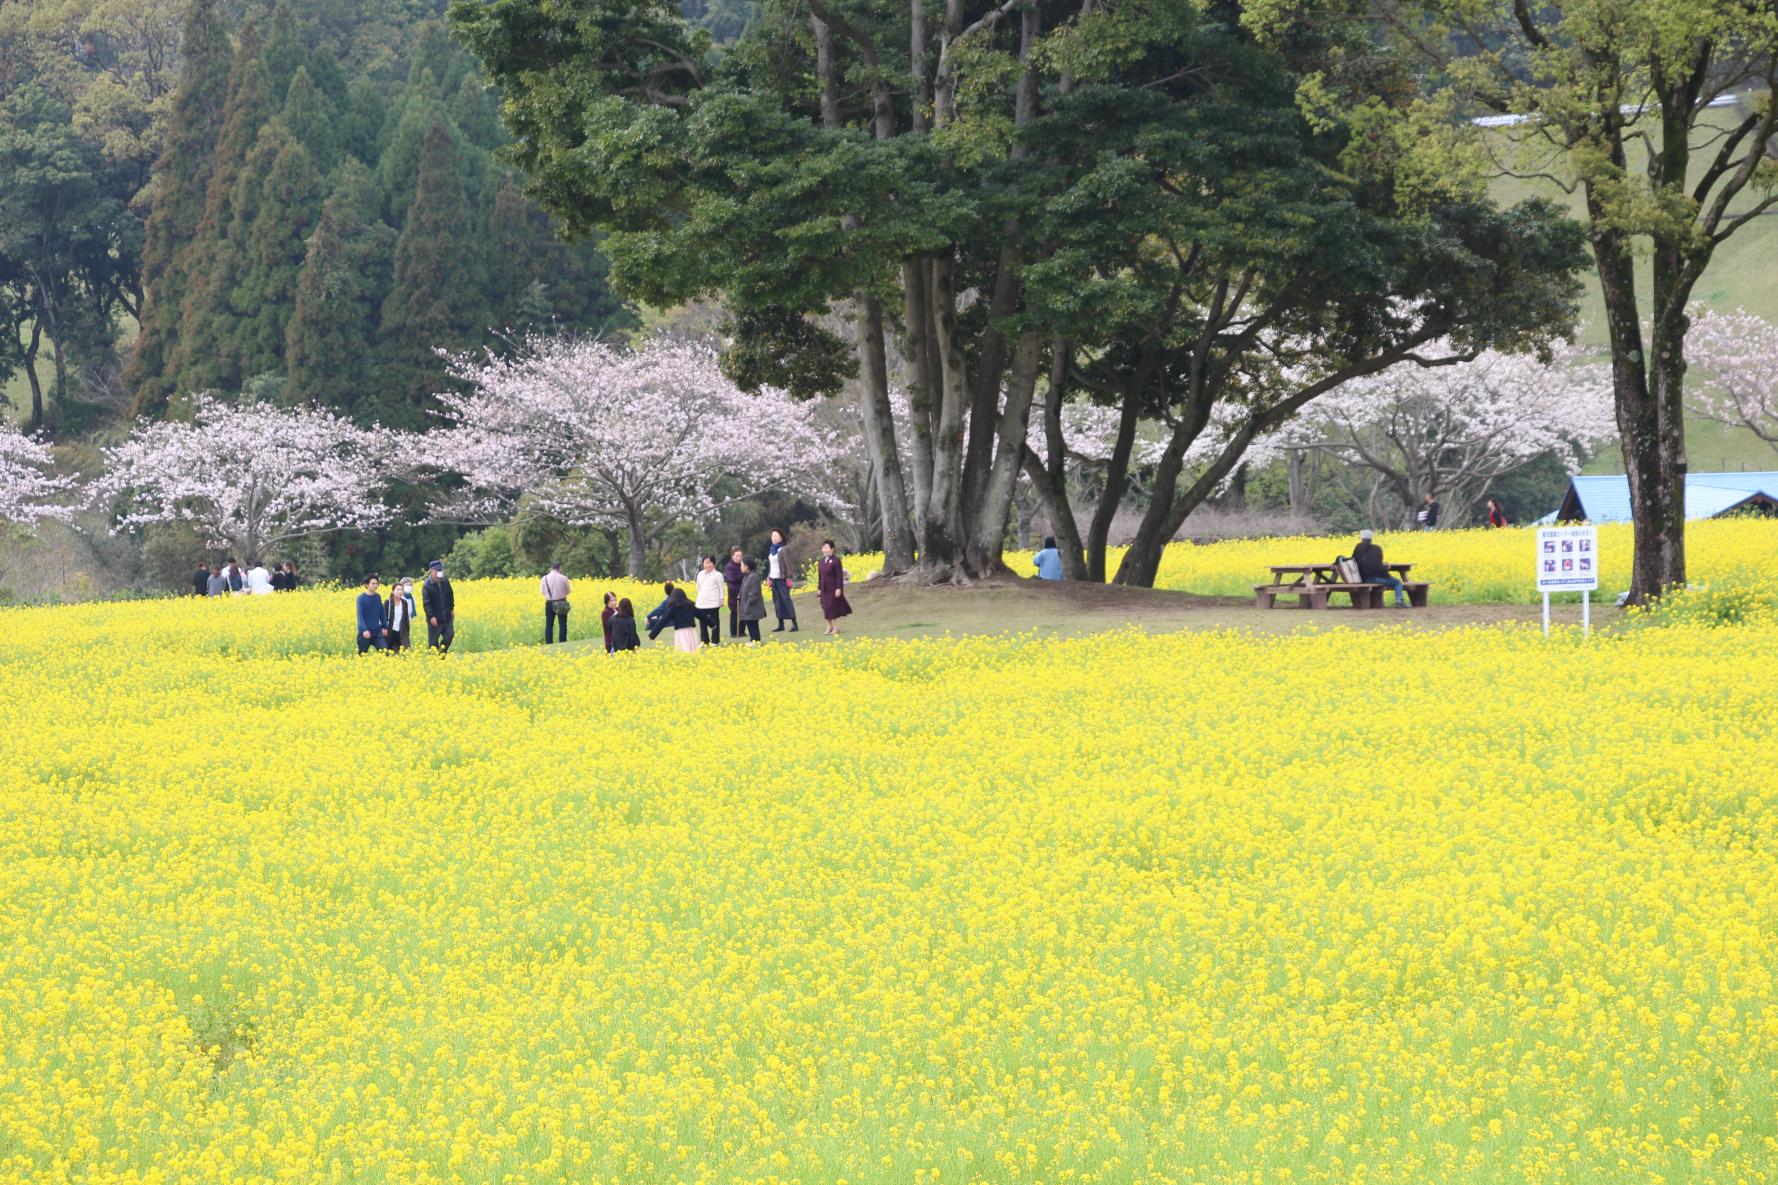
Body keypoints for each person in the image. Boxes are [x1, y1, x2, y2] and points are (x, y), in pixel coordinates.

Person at [1352, 529, 1406, 607]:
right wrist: (1385, 567)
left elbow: (1354, 560)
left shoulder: (1358, 547)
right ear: (1371, 539)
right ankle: (1399, 601)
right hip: (1375, 578)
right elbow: (1377, 564)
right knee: (1397, 582)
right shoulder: (1377, 548)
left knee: (1385, 582)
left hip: (1363, 579)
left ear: (1362, 538)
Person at [816, 538, 852, 635]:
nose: (825, 550)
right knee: (825, 608)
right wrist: (819, 588)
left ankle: (836, 627)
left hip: (833, 589)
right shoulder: (821, 562)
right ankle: (829, 626)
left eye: (827, 548)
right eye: (823, 548)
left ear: (832, 549)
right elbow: (820, 577)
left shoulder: (836, 561)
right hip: (824, 589)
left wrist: (839, 588)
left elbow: (839, 576)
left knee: (832, 608)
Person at [766, 528, 799, 632]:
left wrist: (789, 577)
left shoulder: (783, 549)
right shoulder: (772, 550)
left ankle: (794, 623)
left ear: (781, 537)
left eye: (776, 536)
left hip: (782, 579)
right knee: (777, 602)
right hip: (774, 578)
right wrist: (769, 577)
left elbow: (788, 564)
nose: (774, 538)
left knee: (786, 600)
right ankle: (780, 624)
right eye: (772, 536)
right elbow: (771, 566)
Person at [423, 560, 456, 653]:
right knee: (433, 643)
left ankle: (442, 653)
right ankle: (435, 659)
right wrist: (431, 616)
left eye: (441, 570)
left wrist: (452, 609)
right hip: (435, 618)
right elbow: (426, 603)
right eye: (437, 571)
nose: (440, 573)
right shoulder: (427, 585)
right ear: (432, 571)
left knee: (450, 635)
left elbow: (450, 595)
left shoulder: (445, 581)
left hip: (446, 615)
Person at [694, 554, 724, 645]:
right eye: (706, 563)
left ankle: (715, 641)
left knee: (714, 623)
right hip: (701, 603)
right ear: (703, 564)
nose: (708, 565)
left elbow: (721, 588)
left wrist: (721, 599)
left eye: (710, 562)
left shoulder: (718, 575)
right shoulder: (700, 574)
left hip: (713, 603)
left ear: (714, 563)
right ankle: (704, 641)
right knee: (702, 623)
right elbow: (698, 587)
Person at [540, 562, 572, 644]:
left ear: (550, 568)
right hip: (561, 602)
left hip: (549, 602)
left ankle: (549, 643)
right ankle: (562, 642)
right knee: (562, 624)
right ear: (559, 568)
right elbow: (568, 591)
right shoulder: (564, 578)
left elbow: (542, 592)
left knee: (549, 624)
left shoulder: (544, 578)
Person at [356, 576, 389, 653]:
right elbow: (360, 616)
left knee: (385, 652)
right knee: (362, 656)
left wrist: (385, 626)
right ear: (367, 585)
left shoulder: (377, 597)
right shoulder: (361, 598)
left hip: (377, 631)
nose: (375, 586)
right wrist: (364, 630)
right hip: (365, 632)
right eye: (373, 584)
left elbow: (382, 613)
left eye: (376, 584)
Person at [737, 556, 766, 643]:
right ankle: (752, 640)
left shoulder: (754, 576)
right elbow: (743, 590)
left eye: (742, 565)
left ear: (747, 566)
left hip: (753, 607)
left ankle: (756, 640)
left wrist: (747, 605)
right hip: (747, 607)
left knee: (753, 624)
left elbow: (753, 593)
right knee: (749, 624)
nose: (740, 567)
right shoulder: (746, 576)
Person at [664, 586, 701, 653]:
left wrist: (652, 635)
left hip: (681, 632)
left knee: (684, 651)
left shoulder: (673, 608)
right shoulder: (690, 605)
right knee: (693, 651)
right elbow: (702, 615)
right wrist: (712, 625)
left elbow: (663, 621)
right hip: (691, 631)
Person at [386, 577, 418, 652]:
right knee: (392, 652)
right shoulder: (389, 602)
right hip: (392, 631)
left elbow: (407, 617)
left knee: (407, 651)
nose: (400, 591)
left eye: (401, 590)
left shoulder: (406, 602)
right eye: (398, 590)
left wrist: (407, 630)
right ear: (393, 591)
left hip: (403, 630)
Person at [723, 546, 746, 639]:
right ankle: (733, 632)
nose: (739, 558)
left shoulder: (743, 565)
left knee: (743, 612)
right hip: (734, 592)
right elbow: (732, 579)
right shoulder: (729, 567)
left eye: (740, 556)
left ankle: (741, 631)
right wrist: (742, 574)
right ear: (732, 556)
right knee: (734, 613)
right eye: (737, 556)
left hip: (743, 591)